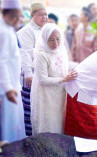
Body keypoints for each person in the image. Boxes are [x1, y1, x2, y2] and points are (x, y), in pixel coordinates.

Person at [30, 23, 77, 135]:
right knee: (48, 122)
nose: (55, 43)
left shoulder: (62, 49)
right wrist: (63, 80)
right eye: (51, 40)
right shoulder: (41, 54)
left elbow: (64, 65)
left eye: (57, 39)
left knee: (58, 121)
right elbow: (42, 79)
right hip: (46, 95)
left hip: (59, 93)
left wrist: (80, 66)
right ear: (45, 39)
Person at [17, 2, 47, 136]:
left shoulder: (45, 30)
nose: (44, 17)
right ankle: (30, 140)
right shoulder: (26, 31)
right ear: (32, 15)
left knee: (40, 110)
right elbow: (25, 54)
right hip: (31, 77)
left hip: (43, 77)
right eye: (41, 15)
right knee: (30, 110)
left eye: (45, 14)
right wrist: (29, 74)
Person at [0, 0, 26, 142]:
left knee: (14, 125)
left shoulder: (9, 29)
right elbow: (1, 62)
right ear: (4, 13)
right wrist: (8, 88)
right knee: (7, 127)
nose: (18, 20)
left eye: (19, 16)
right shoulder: (3, 31)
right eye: (14, 16)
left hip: (12, 85)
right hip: (6, 89)